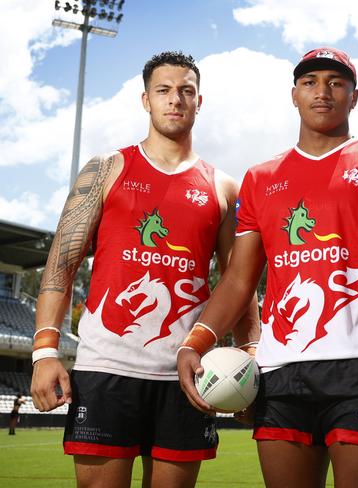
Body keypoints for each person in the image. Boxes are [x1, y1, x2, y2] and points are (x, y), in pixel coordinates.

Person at [177, 47, 358, 488]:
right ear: (293, 95)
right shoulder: (259, 177)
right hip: (280, 375)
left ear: (354, 97)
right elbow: (239, 278)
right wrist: (193, 343)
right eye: (310, 82)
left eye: (336, 83)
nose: (322, 92)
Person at [30, 51, 259, 488]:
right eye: (164, 90)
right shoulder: (106, 168)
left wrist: (250, 355)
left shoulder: (223, 187)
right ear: (145, 100)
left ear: (199, 101)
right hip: (105, 368)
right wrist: (45, 353)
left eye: (186, 91)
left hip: (187, 375)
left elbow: (239, 283)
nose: (175, 99)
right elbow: (63, 260)